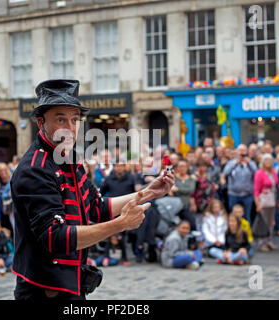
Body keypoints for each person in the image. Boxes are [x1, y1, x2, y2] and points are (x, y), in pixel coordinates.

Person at [11, 79, 174, 301]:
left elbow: (96, 206)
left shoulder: (69, 158)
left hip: (71, 283)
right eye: (61, 119)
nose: (70, 128)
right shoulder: (34, 169)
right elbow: (55, 238)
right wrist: (121, 224)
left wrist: (148, 192)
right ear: (41, 123)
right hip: (44, 291)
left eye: (75, 119)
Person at [100, 163, 136, 265]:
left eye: (121, 166)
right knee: (110, 233)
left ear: (125, 167)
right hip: (113, 210)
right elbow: (100, 192)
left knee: (123, 235)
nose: (119, 168)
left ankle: (124, 258)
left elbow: (136, 193)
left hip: (127, 210)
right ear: (114, 167)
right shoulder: (109, 178)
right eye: (117, 166)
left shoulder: (130, 178)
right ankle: (106, 256)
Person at [222, 144, 257, 223]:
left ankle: (246, 233)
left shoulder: (250, 163)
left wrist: (249, 164)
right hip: (233, 195)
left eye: (243, 150)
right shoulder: (231, 163)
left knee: (247, 216)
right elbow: (225, 173)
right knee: (233, 216)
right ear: (237, 152)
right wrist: (235, 164)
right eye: (240, 150)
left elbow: (256, 173)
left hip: (247, 195)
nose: (242, 153)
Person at [254, 153, 279, 252]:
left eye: (270, 160)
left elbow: (276, 187)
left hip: (272, 198)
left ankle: (269, 240)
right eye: (266, 160)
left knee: (271, 222)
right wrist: (257, 203)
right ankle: (262, 242)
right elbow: (256, 189)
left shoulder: (273, 172)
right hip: (263, 199)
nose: (268, 162)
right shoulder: (259, 173)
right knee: (263, 221)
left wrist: (278, 200)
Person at [170, 160, 196, 231]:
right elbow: (170, 190)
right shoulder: (173, 178)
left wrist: (177, 189)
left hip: (186, 206)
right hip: (175, 207)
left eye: (184, 166)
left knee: (192, 224)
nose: (182, 168)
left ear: (187, 167)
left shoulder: (191, 179)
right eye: (180, 166)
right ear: (177, 168)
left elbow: (191, 189)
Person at [192, 159, 217, 231]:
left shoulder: (208, 176)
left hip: (210, 201)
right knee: (199, 222)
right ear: (197, 167)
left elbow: (212, 185)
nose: (203, 168)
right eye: (201, 166)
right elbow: (192, 192)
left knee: (209, 221)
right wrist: (193, 204)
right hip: (199, 202)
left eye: (204, 166)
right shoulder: (194, 177)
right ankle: (200, 239)